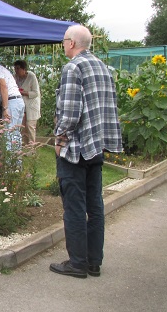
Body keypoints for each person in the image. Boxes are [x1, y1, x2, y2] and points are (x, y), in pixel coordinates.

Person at [50, 25, 123, 279]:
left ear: (71, 43)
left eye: (63, 41)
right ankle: (93, 262)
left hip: (76, 149)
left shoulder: (73, 68)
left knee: (74, 206)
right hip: (96, 147)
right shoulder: (103, 67)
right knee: (95, 205)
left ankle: (77, 263)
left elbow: (69, 113)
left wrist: (59, 141)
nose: (62, 45)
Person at [14, 59, 41, 144]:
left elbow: (36, 93)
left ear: (24, 69)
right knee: (23, 126)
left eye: (18, 68)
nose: (16, 70)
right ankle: (25, 146)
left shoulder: (31, 76)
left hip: (31, 106)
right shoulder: (15, 77)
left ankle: (32, 148)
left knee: (30, 126)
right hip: (21, 105)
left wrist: (24, 93)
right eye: (15, 68)